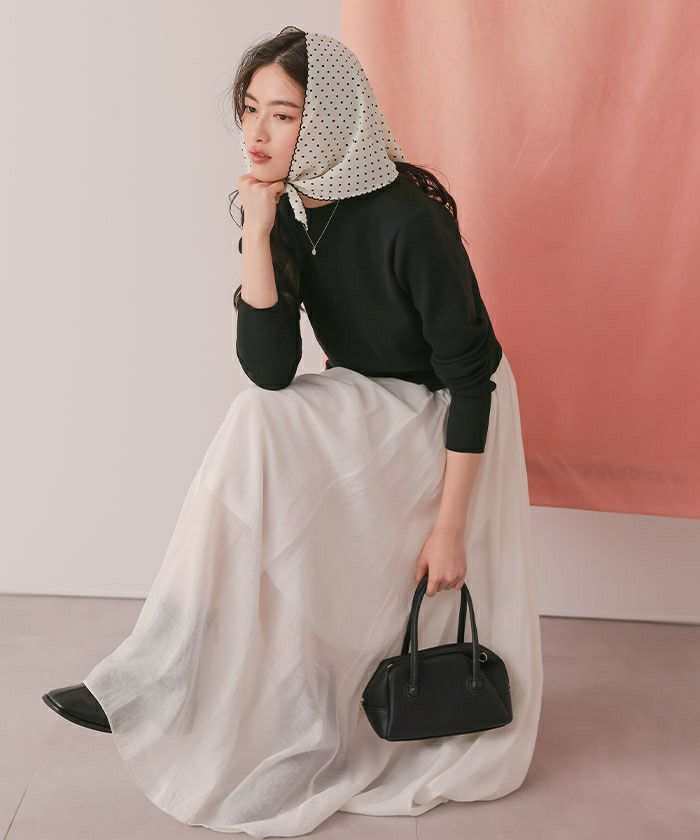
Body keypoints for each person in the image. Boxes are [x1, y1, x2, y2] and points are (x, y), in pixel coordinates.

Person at [42, 26, 543, 838]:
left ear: (332, 120)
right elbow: (270, 371)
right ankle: (171, 664)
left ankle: (166, 668)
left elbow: (471, 379)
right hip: (369, 395)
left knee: (266, 432)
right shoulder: (288, 206)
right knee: (259, 419)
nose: (259, 132)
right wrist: (257, 228)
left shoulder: (408, 221)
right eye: (250, 110)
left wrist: (450, 528)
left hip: (445, 407)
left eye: (284, 114)